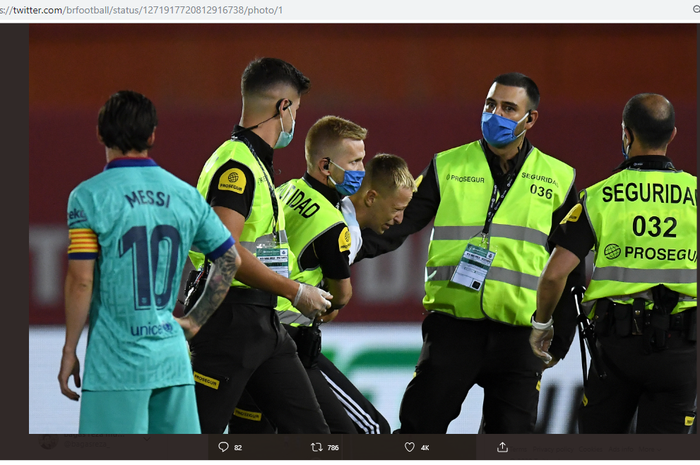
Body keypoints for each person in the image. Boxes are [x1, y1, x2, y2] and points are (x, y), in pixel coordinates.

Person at [357, 72, 584, 433]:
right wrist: (346, 251)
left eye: (509, 108)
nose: (495, 115)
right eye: (490, 105)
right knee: (418, 434)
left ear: (531, 119)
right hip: (453, 329)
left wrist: (563, 335)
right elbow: (399, 223)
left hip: (519, 335)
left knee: (510, 447)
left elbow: (568, 264)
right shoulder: (447, 165)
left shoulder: (559, 178)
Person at [58, 90, 241, 434]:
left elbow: (81, 280)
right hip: (171, 361)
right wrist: (196, 320)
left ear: (100, 133)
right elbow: (230, 260)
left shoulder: (89, 196)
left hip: (116, 365)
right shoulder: (184, 194)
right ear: (153, 135)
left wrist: (70, 349)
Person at [227, 119, 413, 434]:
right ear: (326, 165)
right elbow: (340, 296)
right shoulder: (333, 223)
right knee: (368, 431)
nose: (360, 169)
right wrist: (323, 301)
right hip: (289, 340)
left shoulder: (283, 191)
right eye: (355, 161)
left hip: (251, 329)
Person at [530, 93, 697, 434]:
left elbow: (554, 275)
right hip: (681, 351)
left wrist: (542, 324)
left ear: (626, 133)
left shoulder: (599, 197)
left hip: (618, 352)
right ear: (673, 135)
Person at [187, 57, 332, 434]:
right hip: (227, 323)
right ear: (283, 107)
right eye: (296, 110)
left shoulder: (250, 161)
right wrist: (296, 291)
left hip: (263, 323)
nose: (295, 122)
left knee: (313, 438)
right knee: (195, 441)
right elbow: (225, 253)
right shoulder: (237, 166)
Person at [341, 153, 416, 265]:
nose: (399, 220)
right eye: (396, 209)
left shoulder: (332, 209)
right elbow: (336, 282)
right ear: (371, 198)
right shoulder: (349, 232)